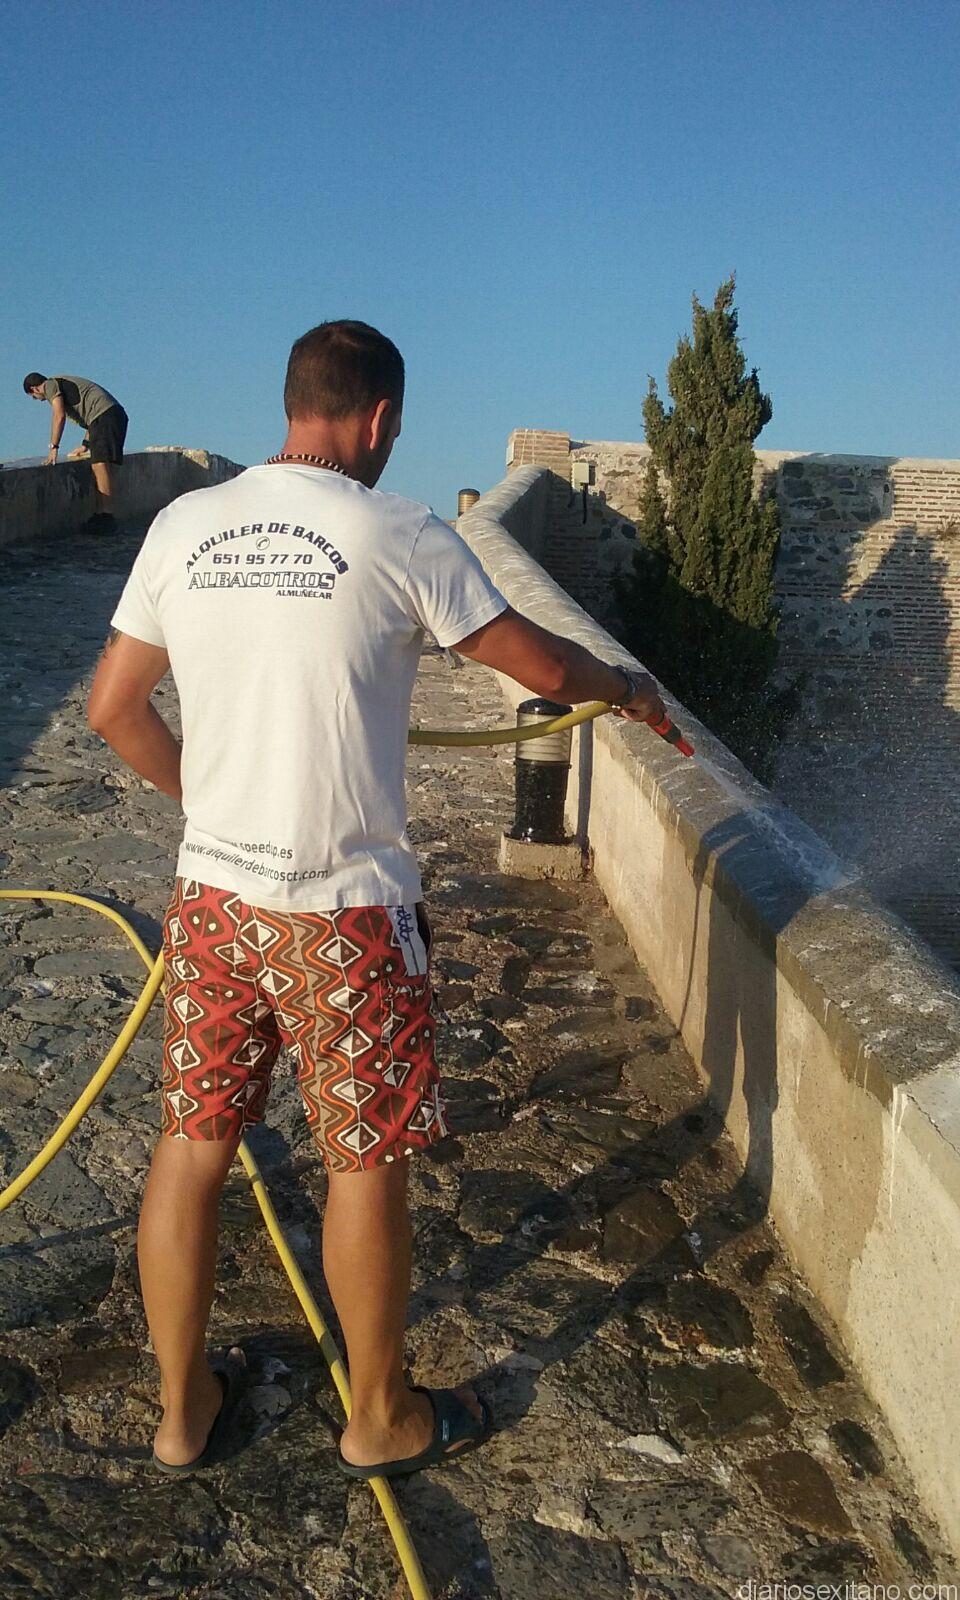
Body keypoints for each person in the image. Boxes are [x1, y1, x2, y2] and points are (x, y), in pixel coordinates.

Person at [86, 319, 665, 1480]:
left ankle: (181, 1413)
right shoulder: (400, 530)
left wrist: (212, 797)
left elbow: (113, 708)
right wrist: (627, 686)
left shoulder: (181, 525)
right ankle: (380, 1416)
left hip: (214, 903)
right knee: (363, 1162)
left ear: (292, 399)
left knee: (192, 1145)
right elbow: (544, 668)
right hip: (345, 916)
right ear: (380, 418)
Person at [22, 370, 128, 533]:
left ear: (34, 389)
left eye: (34, 397)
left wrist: (54, 447)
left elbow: (59, 416)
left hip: (106, 416)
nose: (38, 400)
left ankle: (106, 516)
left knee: (100, 465)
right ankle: (101, 514)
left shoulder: (49, 385)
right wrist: (85, 445)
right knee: (100, 465)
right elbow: (92, 419)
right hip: (109, 416)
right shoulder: (61, 384)